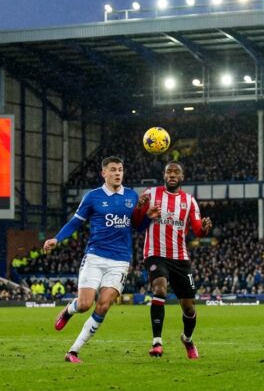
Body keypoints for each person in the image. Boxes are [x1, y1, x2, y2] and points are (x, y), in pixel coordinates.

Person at [44, 156, 144, 364]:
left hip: (120, 261)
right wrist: (57, 238)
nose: (117, 173)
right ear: (103, 173)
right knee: (84, 305)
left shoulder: (132, 196)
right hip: (95, 257)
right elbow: (76, 222)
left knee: (103, 306)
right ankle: (68, 310)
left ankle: (73, 351)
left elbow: (138, 225)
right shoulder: (93, 197)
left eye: (120, 169)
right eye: (113, 169)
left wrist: (146, 214)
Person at [133, 161, 212, 359]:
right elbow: (137, 223)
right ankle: (157, 342)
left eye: (176, 172)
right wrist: (140, 209)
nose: (172, 175)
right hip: (155, 254)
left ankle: (187, 339)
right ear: (164, 175)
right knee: (159, 289)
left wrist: (204, 228)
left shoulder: (189, 201)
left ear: (182, 177)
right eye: (169, 172)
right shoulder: (151, 194)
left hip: (180, 259)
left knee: (189, 307)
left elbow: (198, 231)